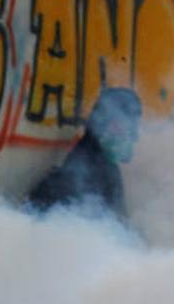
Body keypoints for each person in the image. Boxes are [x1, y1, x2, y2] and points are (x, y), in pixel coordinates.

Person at [25, 86, 141, 218]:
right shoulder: (78, 180)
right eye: (131, 126)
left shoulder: (105, 170)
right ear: (111, 125)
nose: (135, 136)